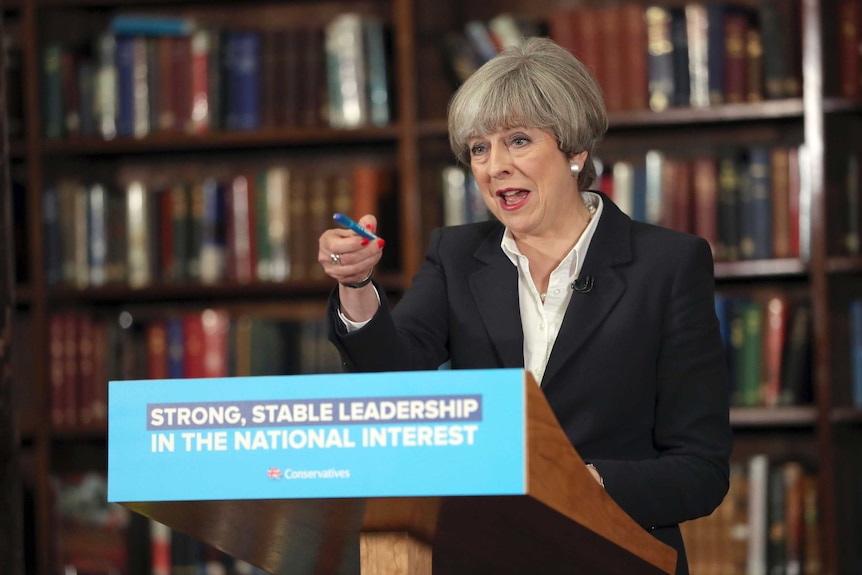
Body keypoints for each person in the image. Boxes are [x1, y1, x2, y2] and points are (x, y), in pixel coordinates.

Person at [317, 37, 731, 575]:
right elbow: (396, 381)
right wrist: (356, 285)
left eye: (517, 140)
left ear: (576, 150)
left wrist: (581, 484)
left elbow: (700, 471)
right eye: (479, 149)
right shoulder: (456, 255)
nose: (495, 166)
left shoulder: (669, 265)